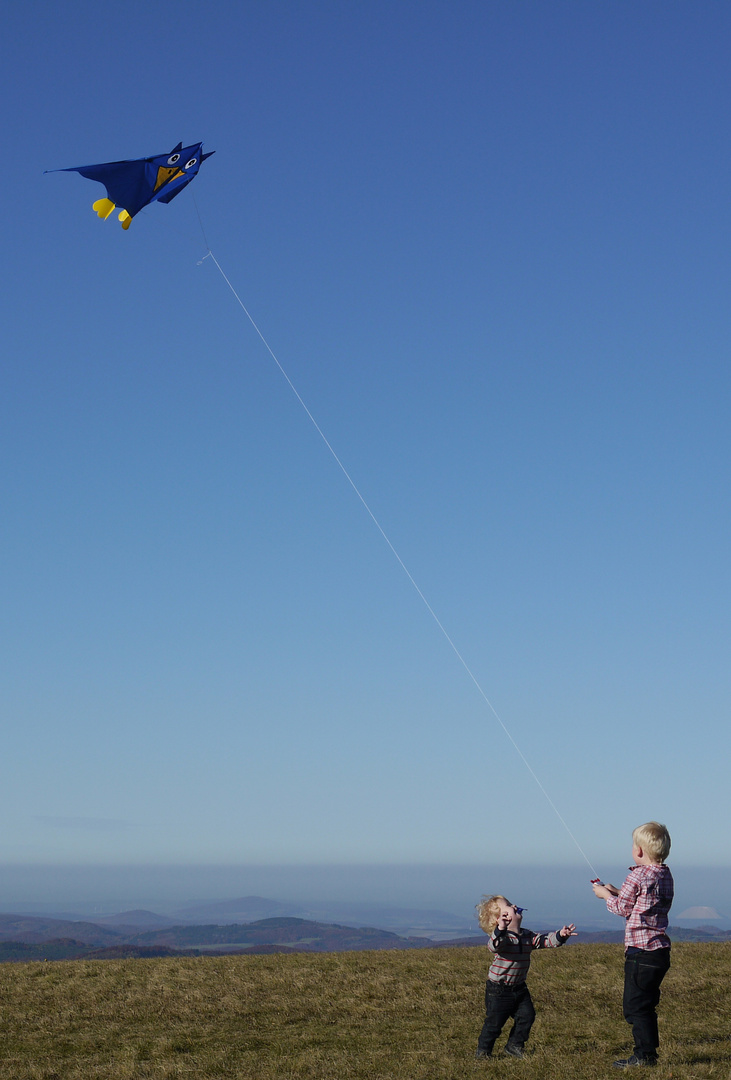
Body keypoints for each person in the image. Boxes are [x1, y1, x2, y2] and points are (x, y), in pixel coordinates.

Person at [592, 822, 674, 1069]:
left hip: (641, 951)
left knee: (634, 1006)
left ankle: (644, 1056)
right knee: (646, 1003)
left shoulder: (637, 875)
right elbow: (645, 900)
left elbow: (622, 908)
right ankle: (648, 1053)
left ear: (639, 851)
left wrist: (605, 895)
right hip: (660, 951)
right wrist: (617, 890)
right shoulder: (665, 874)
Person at [474, 895, 576, 1060]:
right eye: (508, 905)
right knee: (494, 1023)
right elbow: (493, 946)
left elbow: (544, 941)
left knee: (527, 1016)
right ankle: (483, 1052)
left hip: (519, 987)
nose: (514, 905)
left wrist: (561, 936)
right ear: (499, 920)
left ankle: (514, 1046)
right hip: (498, 990)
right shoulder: (503, 938)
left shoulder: (527, 935)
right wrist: (500, 929)